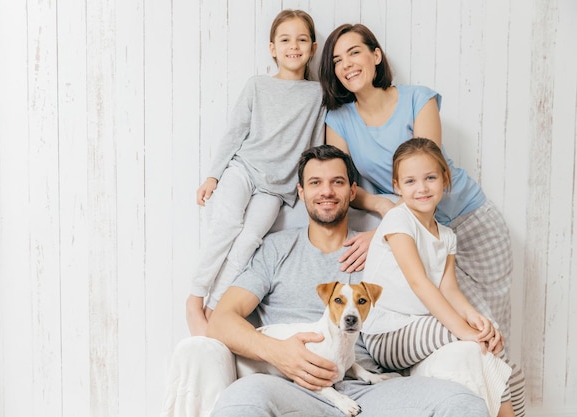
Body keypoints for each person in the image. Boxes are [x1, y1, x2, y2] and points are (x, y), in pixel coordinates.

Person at [196, 144, 490, 417]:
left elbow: (423, 245)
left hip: (370, 387)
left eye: (337, 182)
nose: (326, 191)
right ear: (300, 192)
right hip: (291, 385)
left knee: (463, 404)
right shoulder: (276, 249)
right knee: (242, 400)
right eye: (315, 183)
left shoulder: (386, 246)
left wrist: (380, 233)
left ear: (352, 191)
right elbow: (221, 320)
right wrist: (278, 352)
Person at [318, 23, 515, 351]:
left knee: (493, 329)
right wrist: (385, 212)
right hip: (423, 231)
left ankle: (505, 399)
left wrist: (387, 230)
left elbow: (427, 175)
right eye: (337, 60)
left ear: (376, 55)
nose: (347, 64)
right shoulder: (338, 121)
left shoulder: (419, 99)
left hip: (471, 219)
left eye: (354, 52)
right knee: (464, 333)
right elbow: (347, 186)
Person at [360, 138, 525, 417]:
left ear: (445, 179)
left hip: (420, 328)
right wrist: (465, 332)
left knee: (507, 364)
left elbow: (450, 289)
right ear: (397, 187)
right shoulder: (398, 221)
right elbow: (419, 282)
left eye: (430, 178)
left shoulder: (447, 235)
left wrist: (477, 320)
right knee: (481, 344)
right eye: (410, 181)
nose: (421, 188)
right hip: (387, 333)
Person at [187, 9, 326, 336]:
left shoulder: (317, 94)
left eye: (302, 39)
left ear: (313, 47)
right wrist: (213, 175)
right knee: (228, 225)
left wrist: (306, 188)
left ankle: (214, 307)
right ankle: (195, 298)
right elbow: (235, 132)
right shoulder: (257, 85)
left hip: (276, 187)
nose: (294, 46)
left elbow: (315, 144)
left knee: (249, 241)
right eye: (285, 39)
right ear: (272, 48)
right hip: (244, 169)